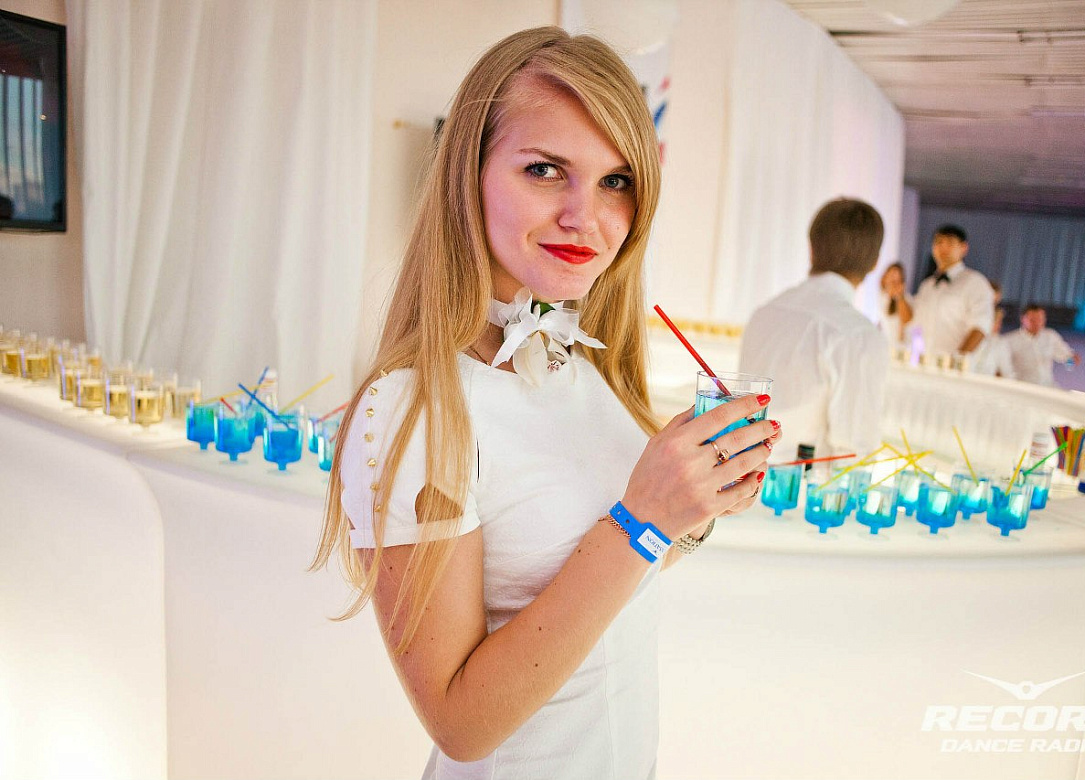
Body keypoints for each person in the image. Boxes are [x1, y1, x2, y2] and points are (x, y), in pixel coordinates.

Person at [310, 28, 778, 780]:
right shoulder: (412, 409)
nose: (583, 216)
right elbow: (461, 724)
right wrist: (643, 522)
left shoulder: (582, 361)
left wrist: (694, 504)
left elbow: (601, 576)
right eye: (544, 170)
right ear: (469, 174)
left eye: (615, 181)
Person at [738, 197, 888, 459]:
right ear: (875, 262)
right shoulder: (858, 335)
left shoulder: (764, 313)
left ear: (811, 249)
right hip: (804, 482)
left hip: (742, 473)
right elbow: (854, 450)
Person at [906, 224, 994, 357]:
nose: (943, 248)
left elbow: (980, 327)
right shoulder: (927, 285)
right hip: (923, 362)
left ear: (964, 248)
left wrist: (956, 360)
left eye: (950, 243)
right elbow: (915, 323)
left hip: (954, 364)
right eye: (939, 242)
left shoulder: (975, 282)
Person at [1003, 304, 1080, 386]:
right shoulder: (1010, 340)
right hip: (1023, 386)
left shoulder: (1050, 336)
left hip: (1048, 385)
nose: (1037, 323)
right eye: (1032, 320)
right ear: (1022, 319)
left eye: (1040, 319)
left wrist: (1072, 361)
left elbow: (1067, 359)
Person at [970, 306, 1015, 379]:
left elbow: (1007, 372)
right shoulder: (971, 336)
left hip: (986, 382)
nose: (999, 326)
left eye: (1000, 322)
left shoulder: (1000, 343)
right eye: (997, 322)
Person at [878, 261, 913, 345]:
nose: (893, 285)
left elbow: (906, 320)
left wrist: (899, 296)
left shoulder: (906, 299)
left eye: (896, 281)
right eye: (891, 279)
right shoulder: (882, 297)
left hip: (901, 347)